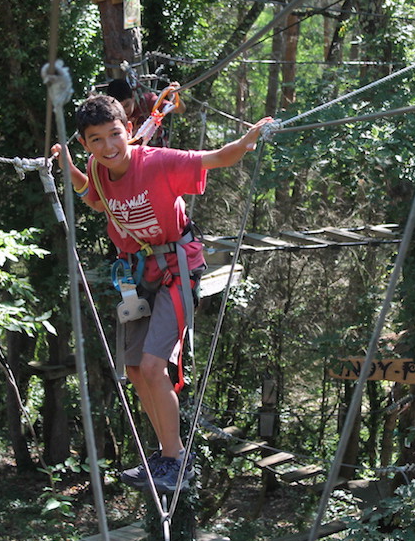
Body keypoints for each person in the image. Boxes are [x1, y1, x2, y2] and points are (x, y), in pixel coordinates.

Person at [53, 93, 271, 494]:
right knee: (135, 370)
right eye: (96, 139)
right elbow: (98, 204)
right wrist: (71, 171)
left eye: (115, 135)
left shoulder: (155, 161)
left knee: (155, 368)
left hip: (177, 269)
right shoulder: (95, 167)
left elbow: (215, 158)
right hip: (136, 274)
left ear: (129, 131)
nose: (108, 146)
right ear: (84, 143)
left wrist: (247, 140)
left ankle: (177, 461)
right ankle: (165, 454)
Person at [107, 77, 185, 147]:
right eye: (120, 108)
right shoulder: (111, 115)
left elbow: (180, 110)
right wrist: (133, 134)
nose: (124, 111)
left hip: (157, 149)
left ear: (133, 96)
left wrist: (175, 96)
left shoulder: (147, 101)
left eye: (127, 105)